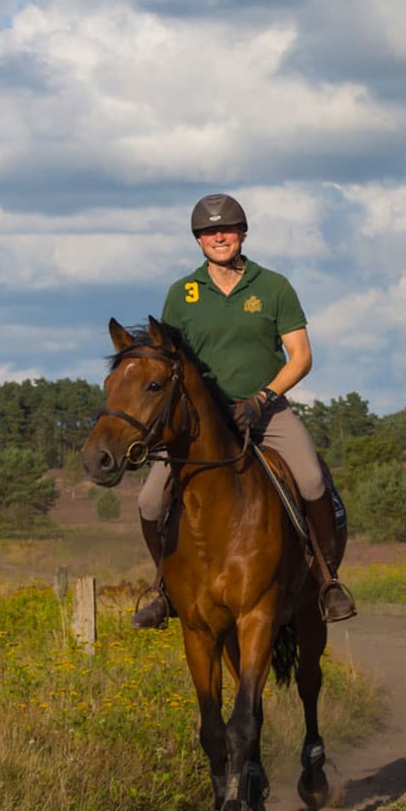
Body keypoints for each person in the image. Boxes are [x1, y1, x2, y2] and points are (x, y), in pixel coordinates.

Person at [131, 193, 356, 628]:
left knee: (310, 479)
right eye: (210, 231)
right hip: (200, 421)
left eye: (228, 229)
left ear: (243, 234)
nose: (220, 237)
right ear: (198, 240)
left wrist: (262, 399)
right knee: (148, 501)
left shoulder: (273, 286)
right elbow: (167, 362)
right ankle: (164, 588)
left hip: (265, 410)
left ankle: (327, 581)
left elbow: (301, 356)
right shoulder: (182, 293)